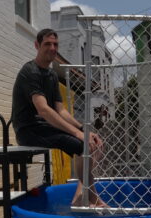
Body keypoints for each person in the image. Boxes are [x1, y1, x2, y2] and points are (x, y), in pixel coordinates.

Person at [11, 28, 107, 207]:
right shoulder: (30, 71)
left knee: (93, 143)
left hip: (45, 127)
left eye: (55, 44)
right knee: (82, 145)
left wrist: (83, 130)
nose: (52, 48)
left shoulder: (52, 75)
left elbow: (61, 111)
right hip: (29, 130)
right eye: (47, 44)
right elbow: (44, 110)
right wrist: (79, 135)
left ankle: (84, 195)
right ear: (37, 45)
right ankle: (89, 199)